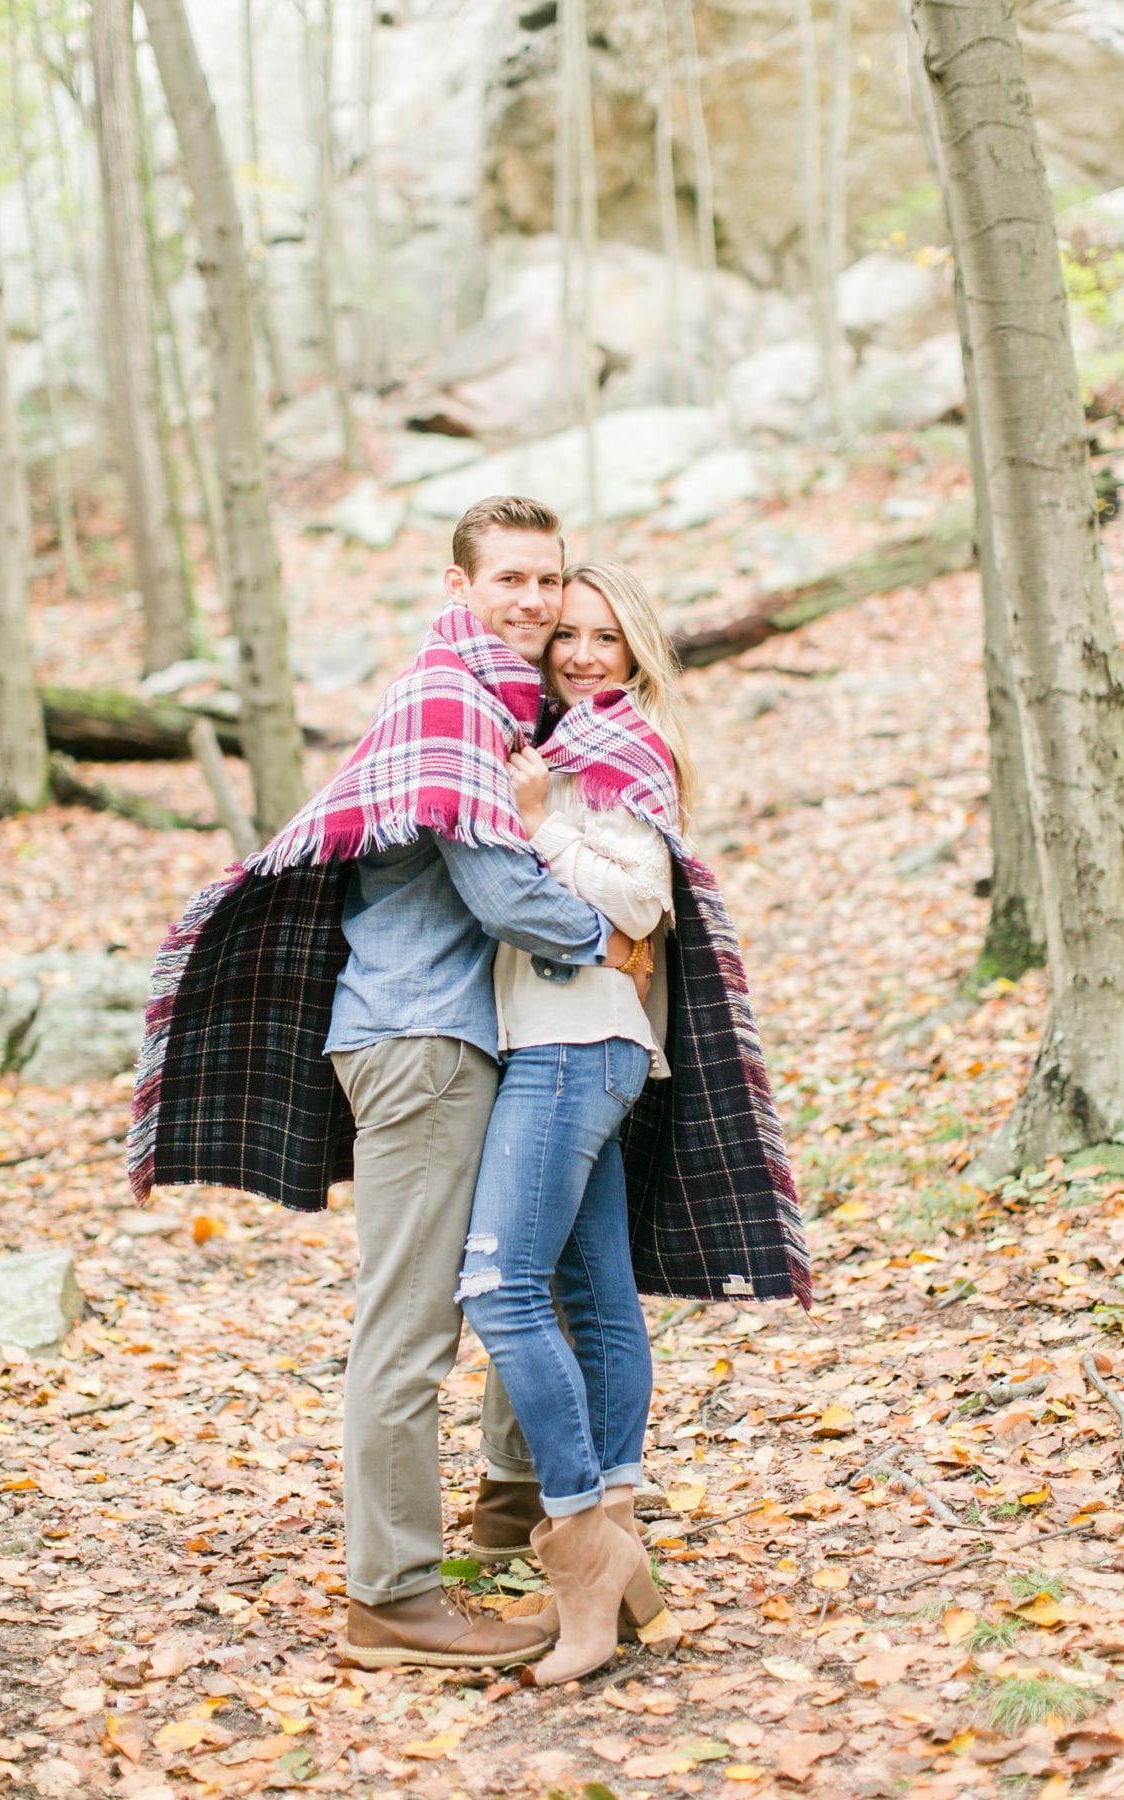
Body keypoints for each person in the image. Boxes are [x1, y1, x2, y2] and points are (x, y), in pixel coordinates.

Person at [129, 496, 648, 1673]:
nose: (531, 601)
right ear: (456, 585)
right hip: (421, 1041)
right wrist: (610, 938)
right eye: (508, 579)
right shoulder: (449, 701)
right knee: (412, 1321)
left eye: (546, 582)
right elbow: (504, 896)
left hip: (475, 1037)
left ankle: (518, 1507)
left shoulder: (502, 706)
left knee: (526, 1272)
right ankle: (393, 1594)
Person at [456, 562, 811, 1684]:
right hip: (584, 1039)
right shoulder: (552, 744)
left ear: (638, 649)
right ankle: (619, 1554)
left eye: (608, 637)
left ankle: (576, 1531)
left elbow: (645, 901)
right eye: (569, 634)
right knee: (594, 1295)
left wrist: (542, 827)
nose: (585, 655)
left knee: (498, 1287)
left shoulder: (615, 751)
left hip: (575, 1044)